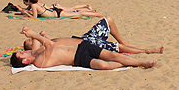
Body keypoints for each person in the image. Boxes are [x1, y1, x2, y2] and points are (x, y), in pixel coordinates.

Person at [10, 27, 157, 69]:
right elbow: (50, 44)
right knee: (104, 65)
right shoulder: (39, 62)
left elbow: (35, 40)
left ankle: (142, 63)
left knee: (113, 56)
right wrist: (34, 34)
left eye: (21, 50)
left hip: (81, 46)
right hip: (78, 58)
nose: (23, 51)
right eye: (21, 54)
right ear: (24, 61)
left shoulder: (35, 52)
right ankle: (133, 63)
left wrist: (28, 32)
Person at [22, 16, 164, 56]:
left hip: (86, 37)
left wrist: (41, 36)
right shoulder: (43, 51)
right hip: (88, 46)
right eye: (30, 42)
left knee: (108, 20)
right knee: (117, 47)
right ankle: (147, 51)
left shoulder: (47, 42)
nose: (32, 40)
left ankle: (125, 42)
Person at [16, 0, 104, 18]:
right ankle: (94, 13)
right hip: (55, 12)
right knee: (76, 11)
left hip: (57, 14)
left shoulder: (34, 6)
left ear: (29, 1)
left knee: (79, 12)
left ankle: (97, 15)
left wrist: (26, 13)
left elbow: (34, 17)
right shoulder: (35, 5)